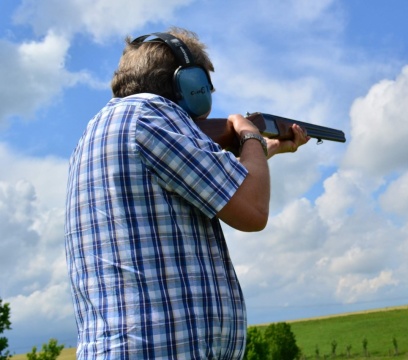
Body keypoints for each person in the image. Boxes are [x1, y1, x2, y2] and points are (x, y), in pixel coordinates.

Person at [64, 26, 309, 359]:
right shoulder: (153, 118)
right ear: (190, 85)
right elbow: (253, 211)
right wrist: (250, 135)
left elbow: (204, 172)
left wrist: (267, 150)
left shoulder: (106, 129)